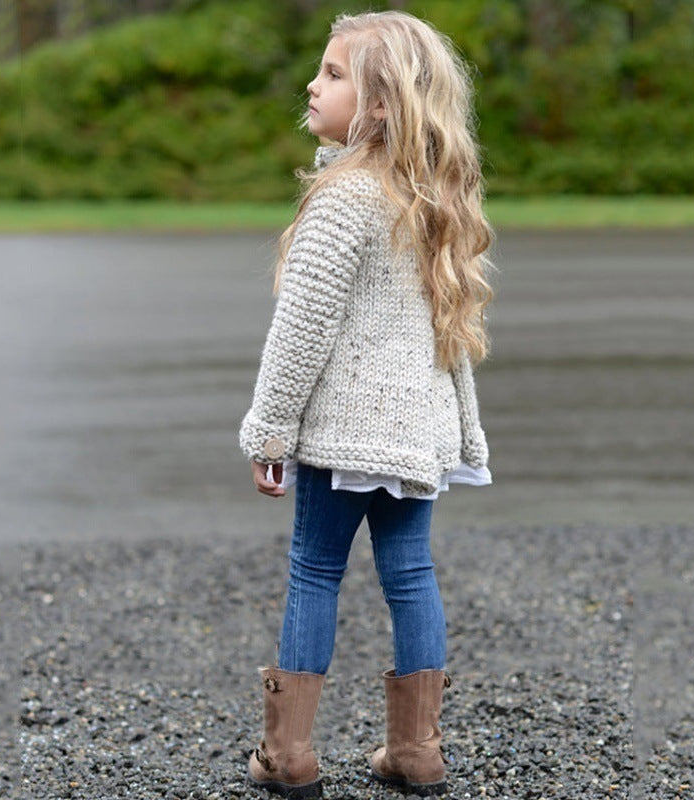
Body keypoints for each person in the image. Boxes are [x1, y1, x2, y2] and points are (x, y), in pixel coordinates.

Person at [238, 10, 496, 798]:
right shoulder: (430, 198)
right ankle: (416, 752)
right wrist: (457, 435)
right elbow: (444, 342)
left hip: (342, 438)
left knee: (314, 571)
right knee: (410, 573)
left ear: (380, 104)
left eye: (335, 74)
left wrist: (268, 430)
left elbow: (301, 332)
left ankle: (289, 758)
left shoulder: (344, 197)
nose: (312, 86)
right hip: (411, 439)